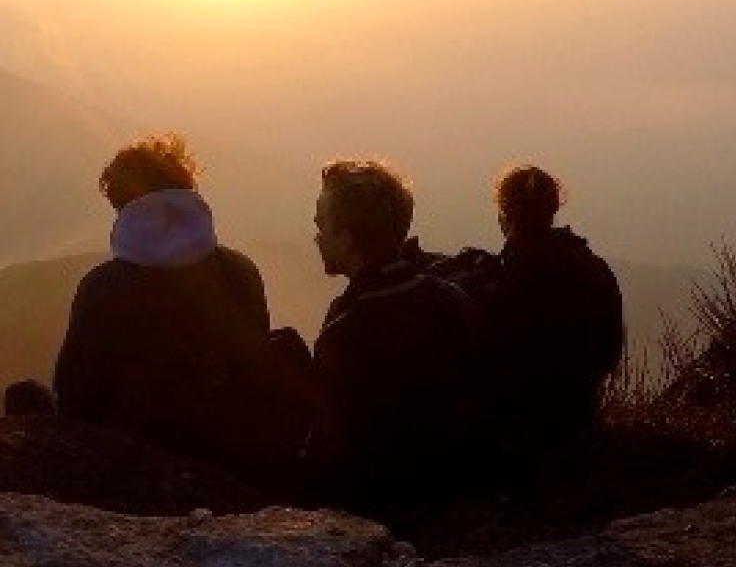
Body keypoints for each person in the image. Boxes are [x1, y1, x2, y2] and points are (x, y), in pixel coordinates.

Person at [54, 134, 313, 492]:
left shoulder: (102, 288)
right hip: (234, 460)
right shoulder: (240, 271)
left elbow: (75, 394)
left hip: (138, 466)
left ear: (122, 208)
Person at [430, 165, 624, 475]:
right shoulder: (596, 271)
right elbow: (610, 352)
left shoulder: (499, 286)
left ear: (504, 213)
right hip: (579, 420)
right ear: (553, 209)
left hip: (512, 440)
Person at [307, 159, 477, 511]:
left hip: (378, 506)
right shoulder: (450, 300)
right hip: (453, 490)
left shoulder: (347, 328)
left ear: (347, 237)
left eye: (322, 225)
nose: (316, 235)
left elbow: (332, 453)